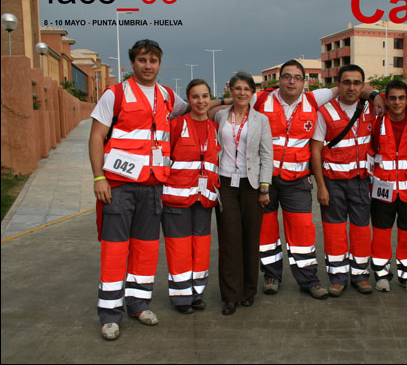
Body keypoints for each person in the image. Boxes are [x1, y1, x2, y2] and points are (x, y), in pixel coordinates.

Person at [210, 60, 383, 299]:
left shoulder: (314, 99)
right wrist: (220, 100)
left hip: (298, 181)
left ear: (305, 82)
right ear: (278, 80)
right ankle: (271, 275)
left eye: (297, 77)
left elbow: (350, 87)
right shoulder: (261, 99)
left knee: (302, 232)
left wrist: (375, 95)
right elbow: (230, 102)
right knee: (267, 232)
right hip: (265, 180)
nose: (292, 81)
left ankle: (308, 280)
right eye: (287, 76)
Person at [89, 39, 189, 340]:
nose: (148, 66)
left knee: (146, 249)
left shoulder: (168, 96)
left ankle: (138, 304)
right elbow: (96, 137)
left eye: (154, 60)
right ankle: (110, 314)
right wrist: (98, 178)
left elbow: (198, 107)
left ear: (160, 64)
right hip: (119, 186)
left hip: (153, 185)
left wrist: (229, 103)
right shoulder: (115, 95)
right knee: (115, 249)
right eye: (143, 60)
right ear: (132, 63)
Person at [311, 64, 375, 297]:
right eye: (346, 82)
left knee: (360, 230)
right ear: (338, 85)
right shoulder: (324, 112)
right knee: (334, 231)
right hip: (333, 182)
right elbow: (316, 150)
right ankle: (337, 278)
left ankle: (360, 275)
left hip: (361, 182)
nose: (351, 87)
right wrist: (321, 186)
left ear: (363, 86)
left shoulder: (371, 109)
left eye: (356, 82)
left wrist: (376, 94)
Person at [214, 71, 273, 316]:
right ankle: (230, 295)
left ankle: (248, 291)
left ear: (252, 93)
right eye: (237, 88)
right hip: (225, 183)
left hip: (251, 184)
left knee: (250, 239)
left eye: (246, 89)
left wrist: (264, 188)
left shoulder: (261, 120)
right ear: (230, 90)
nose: (241, 93)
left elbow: (267, 155)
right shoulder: (219, 116)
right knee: (229, 241)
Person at [161, 79, 221, 314]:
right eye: (195, 97)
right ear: (188, 100)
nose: (201, 101)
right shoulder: (175, 125)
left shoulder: (214, 128)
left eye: (205, 96)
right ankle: (181, 297)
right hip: (176, 200)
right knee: (179, 248)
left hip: (203, 201)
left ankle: (197, 293)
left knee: (201, 247)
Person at [370, 80, 407, 294]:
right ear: (386, 100)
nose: (397, 102)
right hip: (383, 190)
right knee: (381, 234)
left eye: (401, 98)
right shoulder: (377, 122)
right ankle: (381, 275)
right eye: (392, 98)